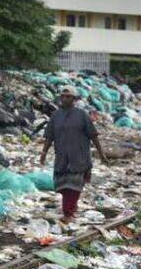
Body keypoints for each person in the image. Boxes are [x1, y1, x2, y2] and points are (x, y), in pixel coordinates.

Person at [39, 85, 107, 221]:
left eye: (68, 96)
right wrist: (44, 152)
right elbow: (49, 136)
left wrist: (101, 153)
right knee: (63, 186)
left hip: (79, 157)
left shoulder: (82, 115)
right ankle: (71, 209)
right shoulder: (55, 115)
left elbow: (93, 135)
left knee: (74, 186)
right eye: (62, 96)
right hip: (62, 157)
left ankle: (68, 213)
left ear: (74, 99)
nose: (64, 99)